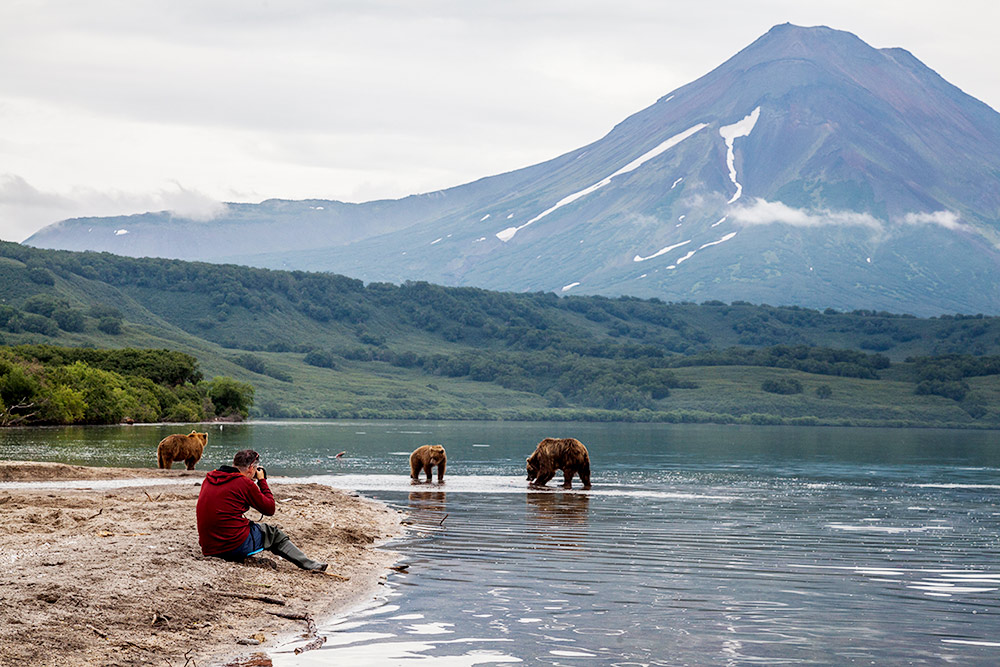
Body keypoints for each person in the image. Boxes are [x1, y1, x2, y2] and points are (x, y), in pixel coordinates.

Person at [196, 449, 327, 571]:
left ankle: (240, 554)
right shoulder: (244, 483)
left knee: (246, 527)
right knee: (273, 533)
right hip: (230, 546)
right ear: (251, 468)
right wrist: (262, 481)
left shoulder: (210, 478)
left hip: (208, 548)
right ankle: (310, 565)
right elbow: (269, 509)